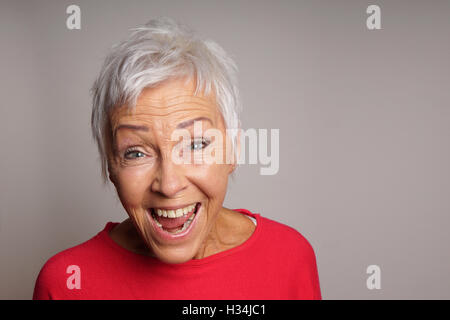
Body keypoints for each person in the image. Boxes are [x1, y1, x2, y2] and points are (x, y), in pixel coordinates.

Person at [33, 17, 321, 300]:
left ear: (232, 150)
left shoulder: (289, 258)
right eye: (136, 152)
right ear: (110, 164)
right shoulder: (65, 283)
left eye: (196, 144)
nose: (169, 185)